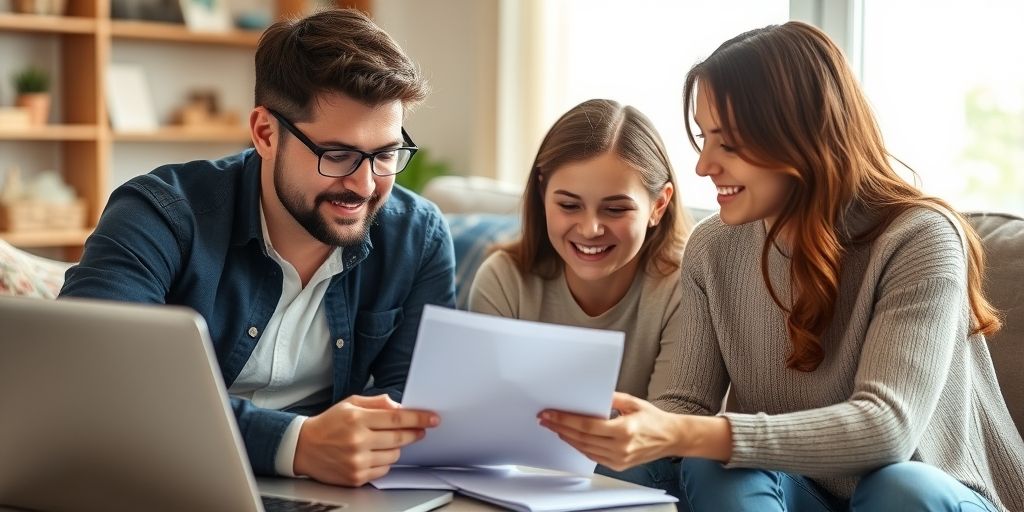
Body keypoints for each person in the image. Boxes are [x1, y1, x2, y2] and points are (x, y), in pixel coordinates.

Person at [538, 22, 1024, 511]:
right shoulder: (713, 247)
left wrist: (688, 431)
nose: (704, 166)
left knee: (896, 487)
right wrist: (623, 427)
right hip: (802, 492)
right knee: (707, 462)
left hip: (930, 495)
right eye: (704, 139)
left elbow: (886, 430)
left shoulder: (920, 237)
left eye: (727, 144)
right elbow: (684, 406)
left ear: (799, 138)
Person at [59, 9, 454, 488]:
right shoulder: (160, 213)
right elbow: (94, 377)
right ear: (266, 133)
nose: (366, 184)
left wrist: (357, 443)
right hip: (166, 480)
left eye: (386, 154)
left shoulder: (418, 235)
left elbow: (417, 400)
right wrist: (293, 444)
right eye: (338, 155)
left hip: (329, 491)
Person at [468, 99, 692, 500]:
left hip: (634, 482)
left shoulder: (683, 287)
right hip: (516, 480)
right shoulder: (504, 278)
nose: (590, 229)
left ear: (659, 205)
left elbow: (663, 440)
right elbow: (483, 424)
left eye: (616, 208)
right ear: (542, 193)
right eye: (568, 205)